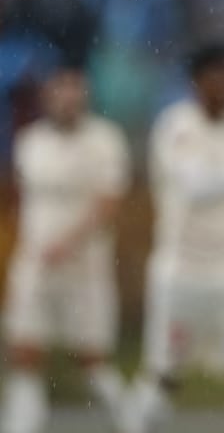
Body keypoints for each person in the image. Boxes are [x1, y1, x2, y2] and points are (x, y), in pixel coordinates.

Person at [126, 42, 224, 433]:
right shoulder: (176, 126)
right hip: (183, 270)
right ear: (197, 80)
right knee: (165, 374)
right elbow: (194, 186)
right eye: (218, 73)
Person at [1, 67, 130, 433]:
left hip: (84, 266)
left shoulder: (105, 141)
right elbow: (21, 199)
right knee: (25, 350)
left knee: (91, 357)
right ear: (48, 98)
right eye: (60, 94)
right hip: (35, 265)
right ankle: (21, 425)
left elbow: (108, 204)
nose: (67, 102)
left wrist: (66, 242)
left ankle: (132, 420)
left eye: (74, 94)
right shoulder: (30, 141)